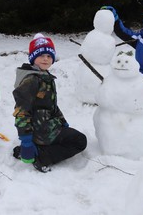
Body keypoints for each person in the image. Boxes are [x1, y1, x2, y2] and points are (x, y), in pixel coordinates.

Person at [12, 33, 87, 172]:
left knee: (73, 137)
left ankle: (33, 148)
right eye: (41, 56)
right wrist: (26, 141)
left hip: (47, 127)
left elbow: (51, 105)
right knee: (80, 141)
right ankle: (42, 157)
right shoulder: (31, 80)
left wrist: (62, 121)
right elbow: (21, 111)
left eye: (49, 56)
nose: (45, 59)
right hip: (41, 131)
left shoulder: (45, 77)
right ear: (33, 58)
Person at [101, 4, 143, 105]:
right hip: (137, 80)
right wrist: (115, 19)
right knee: (126, 95)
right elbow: (123, 32)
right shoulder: (139, 38)